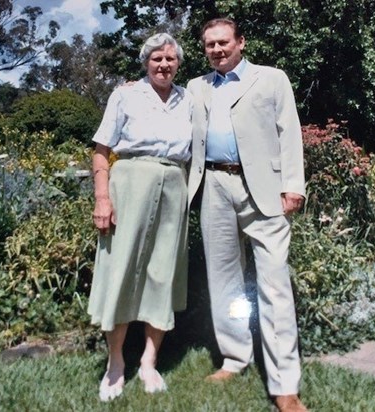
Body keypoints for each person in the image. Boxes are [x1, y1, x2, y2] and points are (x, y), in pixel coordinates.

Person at [187, 18, 308, 412]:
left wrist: (294, 185)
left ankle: (284, 385)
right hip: (215, 188)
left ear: (241, 42)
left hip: (265, 192)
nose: (217, 50)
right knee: (224, 281)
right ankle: (235, 358)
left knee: (274, 286)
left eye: (224, 42)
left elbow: (289, 132)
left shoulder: (272, 79)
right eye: (210, 45)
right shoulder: (197, 87)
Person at [87, 33, 191, 402]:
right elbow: (101, 151)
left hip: (174, 186)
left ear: (178, 63)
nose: (164, 65)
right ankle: (115, 363)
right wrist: (102, 197)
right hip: (130, 183)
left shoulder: (188, 99)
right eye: (156, 59)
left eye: (170, 59)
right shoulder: (125, 95)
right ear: (146, 63)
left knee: (162, 273)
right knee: (121, 269)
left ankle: (148, 361)